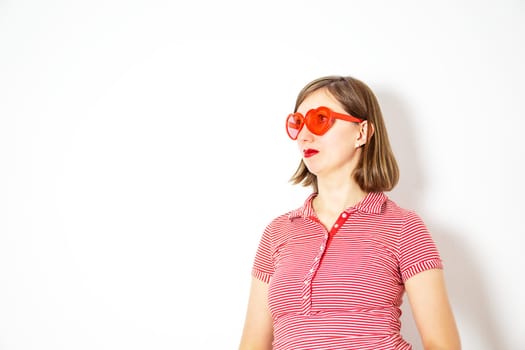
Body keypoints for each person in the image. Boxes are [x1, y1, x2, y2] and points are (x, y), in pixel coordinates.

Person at [238, 75, 461, 350]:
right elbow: (252, 344)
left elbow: (443, 343)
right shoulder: (278, 231)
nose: (305, 135)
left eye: (320, 119)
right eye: (298, 123)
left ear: (362, 132)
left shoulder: (404, 227)